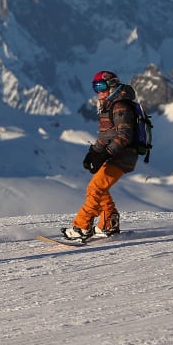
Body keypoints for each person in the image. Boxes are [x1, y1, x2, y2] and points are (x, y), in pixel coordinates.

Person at [61, 71, 138, 242]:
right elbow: (105, 137)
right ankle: (108, 223)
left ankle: (82, 226)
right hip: (115, 155)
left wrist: (105, 153)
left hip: (122, 156)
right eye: (95, 87)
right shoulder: (108, 105)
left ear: (112, 86)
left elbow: (124, 135)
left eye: (102, 86)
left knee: (95, 188)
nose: (99, 91)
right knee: (96, 188)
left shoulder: (120, 106)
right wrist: (94, 152)